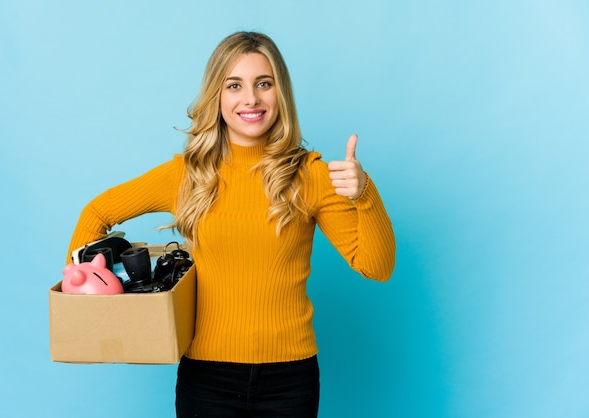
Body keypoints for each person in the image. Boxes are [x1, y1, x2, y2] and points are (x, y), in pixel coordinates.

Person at [66, 31, 395, 418]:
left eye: (264, 84)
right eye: (234, 85)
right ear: (217, 96)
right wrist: (87, 300)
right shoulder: (188, 175)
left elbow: (376, 266)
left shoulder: (310, 175)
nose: (251, 98)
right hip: (206, 380)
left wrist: (364, 194)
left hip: (290, 380)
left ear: (280, 94)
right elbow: (96, 213)